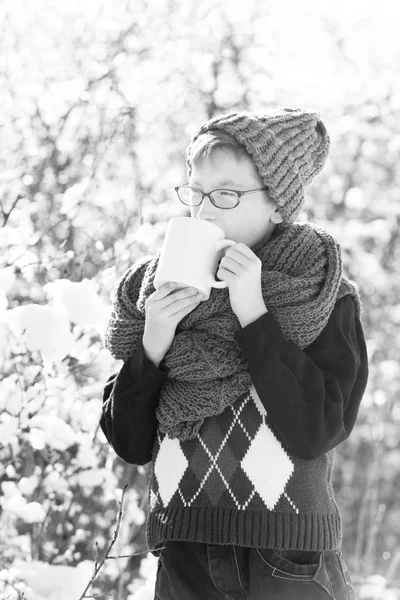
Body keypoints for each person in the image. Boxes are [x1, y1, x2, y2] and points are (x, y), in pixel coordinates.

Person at [100, 108, 368, 600]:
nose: (204, 211)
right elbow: (130, 442)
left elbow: (318, 429)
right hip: (185, 550)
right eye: (195, 192)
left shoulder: (319, 294)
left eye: (225, 194)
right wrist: (153, 343)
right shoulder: (155, 293)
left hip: (286, 555)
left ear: (278, 204)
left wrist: (254, 314)